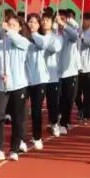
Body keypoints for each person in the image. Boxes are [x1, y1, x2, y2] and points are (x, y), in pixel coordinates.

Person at [0, 12, 31, 161]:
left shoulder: (23, 42)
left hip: (19, 85)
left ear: (20, 28)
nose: (11, 27)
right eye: (9, 24)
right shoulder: (0, 44)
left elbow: (18, 40)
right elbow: (0, 62)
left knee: (18, 119)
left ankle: (14, 149)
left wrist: (9, 31)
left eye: (14, 25)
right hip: (1, 85)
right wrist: (2, 74)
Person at [26, 12, 61, 149]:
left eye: (35, 22)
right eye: (29, 22)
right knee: (27, 109)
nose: (32, 24)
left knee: (46, 106)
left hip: (46, 76)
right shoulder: (24, 37)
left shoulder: (51, 37)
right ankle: (26, 137)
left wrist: (34, 35)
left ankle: (48, 127)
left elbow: (50, 47)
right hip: (27, 78)